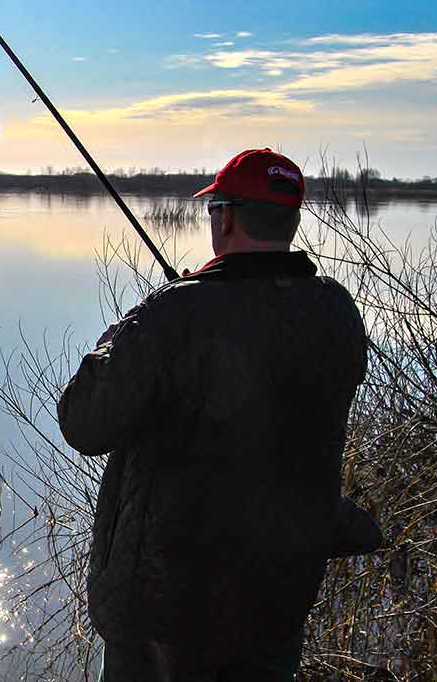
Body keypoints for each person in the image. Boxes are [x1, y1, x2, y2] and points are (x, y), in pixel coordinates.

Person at [57, 148, 383, 681]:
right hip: (277, 599)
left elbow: (84, 423)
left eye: (214, 210)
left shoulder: (174, 315)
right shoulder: (336, 310)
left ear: (225, 216)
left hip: (165, 614)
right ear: (291, 220)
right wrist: (184, 310)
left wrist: (130, 329)